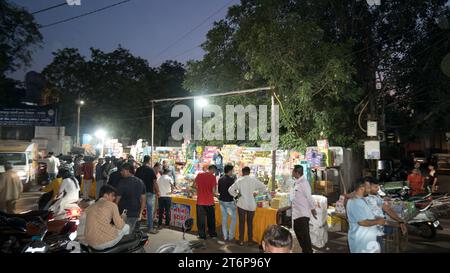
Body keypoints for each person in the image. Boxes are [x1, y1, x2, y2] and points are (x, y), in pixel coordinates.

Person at [365, 177, 407, 252]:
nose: (378, 189)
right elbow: (387, 209)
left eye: (378, 186)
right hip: (371, 232)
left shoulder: (376, 196)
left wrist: (400, 221)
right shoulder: (362, 198)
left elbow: (387, 208)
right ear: (368, 186)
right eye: (375, 187)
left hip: (378, 230)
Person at [83, 185, 130, 250]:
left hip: (89, 242)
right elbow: (120, 226)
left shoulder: (91, 206)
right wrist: (123, 219)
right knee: (126, 227)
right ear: (105, 195)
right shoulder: (112, 205)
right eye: (112, 195)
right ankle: (123, 248)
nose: (114, 198)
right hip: (104, 243)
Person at [228, 166, 267, 246]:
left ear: (242, 172)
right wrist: (257, 194)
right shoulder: (253, 180)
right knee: (250, 223)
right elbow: (263, 187)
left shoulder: (239, 180)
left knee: (241, 222)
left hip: (242, 203)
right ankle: (250, 240)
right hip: (251, 203)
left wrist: (236, 195)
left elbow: (230, 190)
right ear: (249, 172)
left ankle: (241, 240)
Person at [347, 180, 386, 253]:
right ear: (361, 188)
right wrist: (378, 221)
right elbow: (362, 222)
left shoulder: (362, 200)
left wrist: (375, 218)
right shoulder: (356, 202)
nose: (369, 189)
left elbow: (365, 215)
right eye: (368, 187)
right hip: (361, 240)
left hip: (368, 239)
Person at [290, 165, 317, 253]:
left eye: (293, 171)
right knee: (298, 233)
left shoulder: (304, 183)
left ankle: (308, 251)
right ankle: (305, 250)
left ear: (297, 172)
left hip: (302, 213)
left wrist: (313, 209)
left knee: (304, 235)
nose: (292, 172)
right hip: (297, 213)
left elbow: (309, 197)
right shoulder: (297, 182)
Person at [116, 163, 146, 231]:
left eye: (122, 170)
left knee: (124, 234)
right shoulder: (140, 182)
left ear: (127, 171)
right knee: (131, 233)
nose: (121, 172)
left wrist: (114, 213)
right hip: (136, 213)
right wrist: (140, 213)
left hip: (124, 214)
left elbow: (117, 200)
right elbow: (143, 200)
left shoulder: (122, 182)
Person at [135, 155, 159, 234]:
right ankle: (150, 228)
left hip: (140, 192)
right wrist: (158, 191)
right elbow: (154, 182)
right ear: (149, 161)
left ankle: (136, 227)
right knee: (150, 210)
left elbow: (136, 181)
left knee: (138, 209)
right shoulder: (151, 170)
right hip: (149, 192)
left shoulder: (138, 169)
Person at [193, 165, 218, 239]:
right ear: (213, 170)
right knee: (211, 219)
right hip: (209, 202)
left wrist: (199, 189)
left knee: (200, 220)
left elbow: (194, 185)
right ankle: (212, 234)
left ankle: (202, 235)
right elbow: (213, 191)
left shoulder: (199, 175)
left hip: (200, 201)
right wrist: (215, 194)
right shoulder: (213, 177)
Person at [218, 164, 237, 241]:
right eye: (232, 170)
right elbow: (234, 191)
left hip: (221, 201)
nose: (233, 172)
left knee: (224, 219)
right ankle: (231, 236)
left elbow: (219, 191)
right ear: (229, 171)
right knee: (233, 219)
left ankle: (225, 236)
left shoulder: (220, 179)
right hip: (229, 202)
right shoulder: (232, 180)